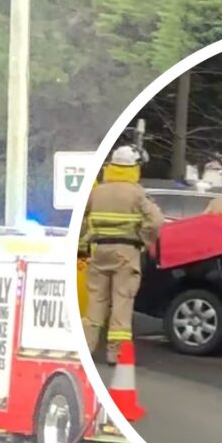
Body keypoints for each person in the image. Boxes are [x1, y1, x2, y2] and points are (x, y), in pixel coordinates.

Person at [81, 145, 164, 365]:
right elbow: (156, 222)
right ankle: (115, 354)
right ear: (134, 167)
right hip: (126, 252)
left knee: (95, 302)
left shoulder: (97, 191)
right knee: (122, 303)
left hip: (99, 251)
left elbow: (81, 220)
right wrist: (145, 239)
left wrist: (84, 242)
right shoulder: (137, 193)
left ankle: (85, 348)